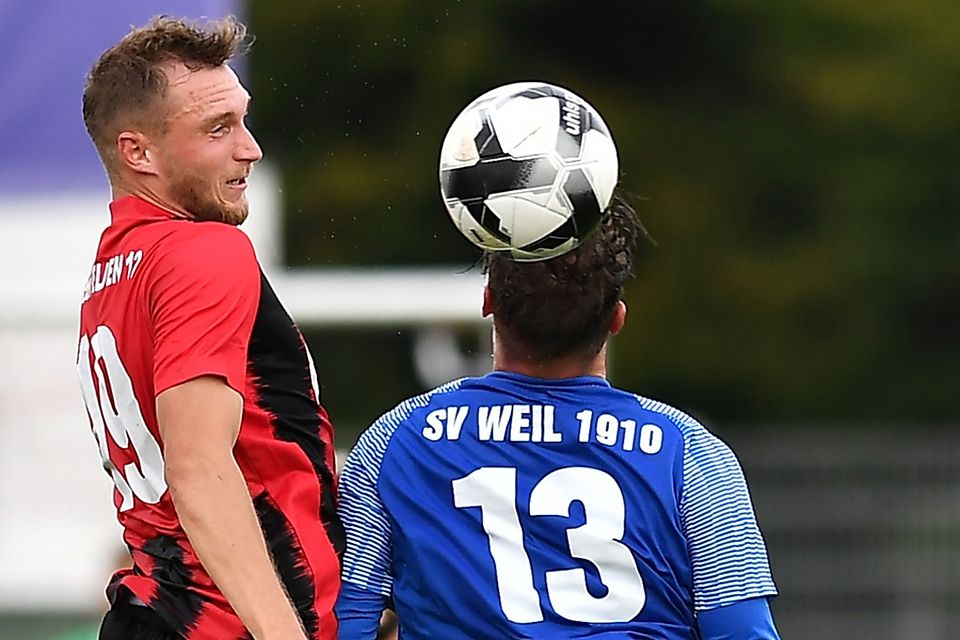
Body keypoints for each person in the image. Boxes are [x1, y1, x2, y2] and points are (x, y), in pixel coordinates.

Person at [335, 194, 781, 639]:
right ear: (617, 319)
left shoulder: (394, 442)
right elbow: (741, 631)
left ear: (489, 301)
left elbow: (349, 624)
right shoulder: (691, 455)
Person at [76, 16, 343, 640]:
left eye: (243, 121)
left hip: (158, 612)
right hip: (219, 624)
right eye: (218, 129)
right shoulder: (204, 252)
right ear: (137, 151)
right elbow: (197, 468)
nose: (249, 148)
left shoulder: (111, 273)